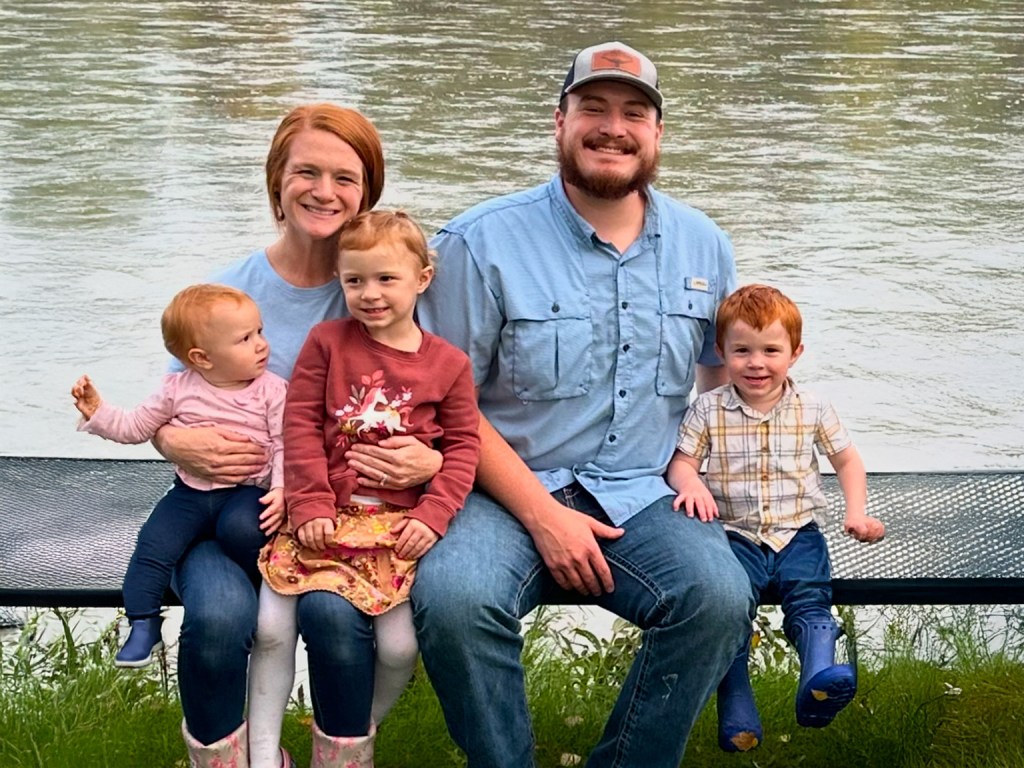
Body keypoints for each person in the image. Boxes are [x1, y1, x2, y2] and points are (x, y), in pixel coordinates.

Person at [413, 41, 753, 767]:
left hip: (644, 492)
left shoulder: (705, 245)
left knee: (719, 597)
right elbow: (447, 406)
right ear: (558, 121)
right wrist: (544, 518)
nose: (613, 127)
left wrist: (711, 479)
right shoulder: (480, 242)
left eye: (634, 113)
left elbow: (719, 387)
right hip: (502, 490)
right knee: (456, 602)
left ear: (657, 134)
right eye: (592, 109)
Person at [150, 104, 443, 768]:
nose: (324, 191)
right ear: (276, 179)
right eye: (305, 171)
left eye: (346, 176)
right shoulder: (228, 291)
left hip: (335, 520)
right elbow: (169, 401)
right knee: (220, 621)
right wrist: (171, 440)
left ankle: (340, 754)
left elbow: (441, 392)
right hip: (229, 510)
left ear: (368, 189)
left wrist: (430, 460)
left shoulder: (380, 287)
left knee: (339, 625)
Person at [248, 210, 480, 768]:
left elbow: (465, 448)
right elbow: (299, 423)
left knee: (401, 647)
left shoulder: (448, 364)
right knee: (271, 628)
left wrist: (433, 513)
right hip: (323, 519)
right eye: (354, 281)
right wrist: (308, 500)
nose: (369, 294)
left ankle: (349, 743)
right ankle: (259, 755)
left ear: (422, 278)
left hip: (398, 529)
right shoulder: (327, 342)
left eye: (385, 279)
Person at [667, 283, 886, 752]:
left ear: (795, 353)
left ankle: (818, 679)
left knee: (809, 598)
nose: (756, 363)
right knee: (730, 610)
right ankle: (736, 702)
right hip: (734, 534)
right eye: (741, 350)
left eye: (771, 350)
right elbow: (682, 462)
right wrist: (690, 483)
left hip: (797, 531)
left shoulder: (813, 407)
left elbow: (847, 461)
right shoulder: (708, 408)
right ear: (722, 352)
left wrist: (857, 513)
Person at [70, 284, 286, 668]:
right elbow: (136, 426)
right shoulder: (176, 390)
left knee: (246, 528)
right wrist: (97, 411)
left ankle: (269, 594)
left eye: (260, 332)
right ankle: (142, 625)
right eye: (245, 339)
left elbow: (287, 443)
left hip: (245, 492)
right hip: (190, 493)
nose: (261, 345)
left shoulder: (271, 391)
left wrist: (282, 489)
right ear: (202, 358)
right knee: (152, 546)